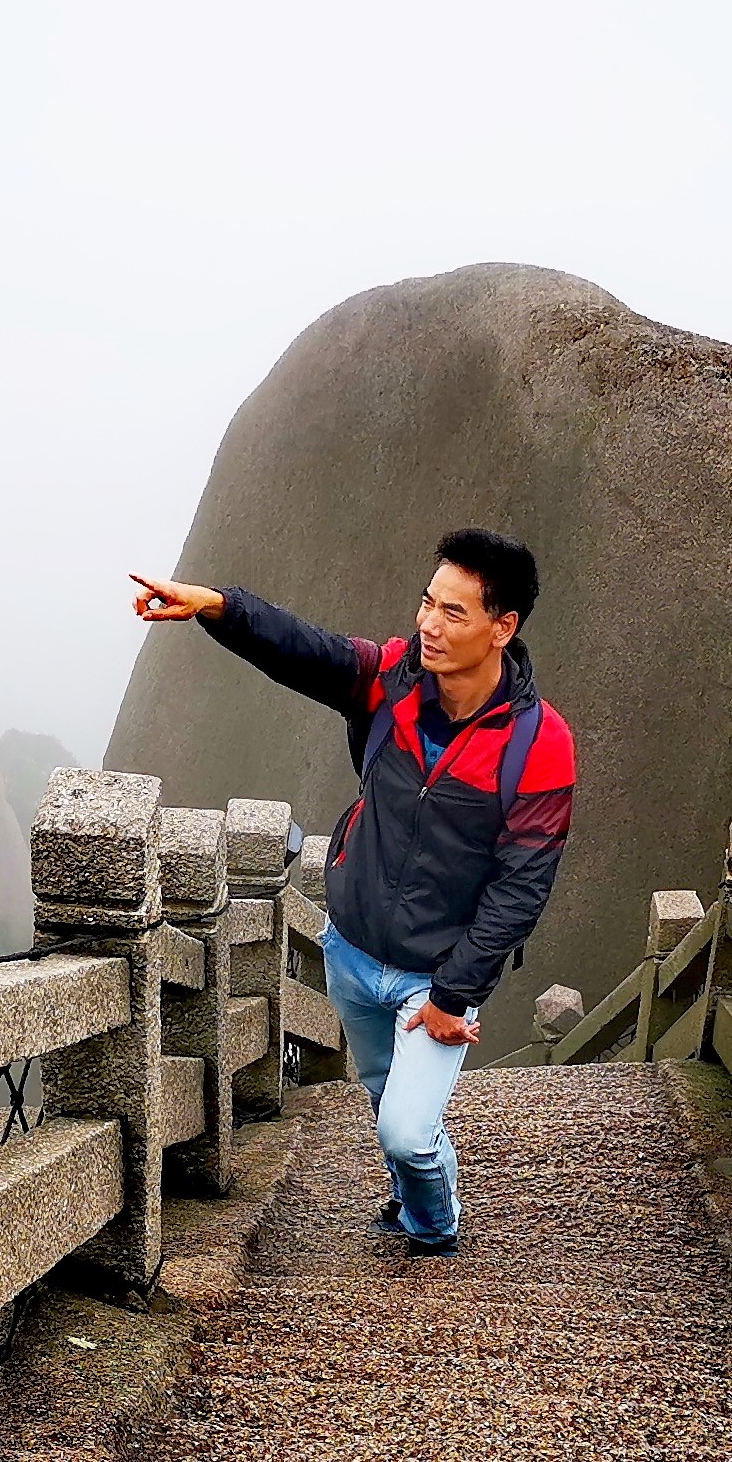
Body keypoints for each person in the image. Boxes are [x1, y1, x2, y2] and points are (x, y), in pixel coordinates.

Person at [129, 530, 575, 1253]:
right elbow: (307, 651)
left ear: (503, 628)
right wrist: (215, 607)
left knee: (405, 1126)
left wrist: (451, 997)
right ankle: (408, 1199)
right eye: (427, 603)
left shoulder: (538, 743)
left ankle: (434, 1225)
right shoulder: (394, 678)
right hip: (352, 948)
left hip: (436, 974)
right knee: (380, 1094)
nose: (428, 624)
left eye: (453, 613)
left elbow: (521, 888)